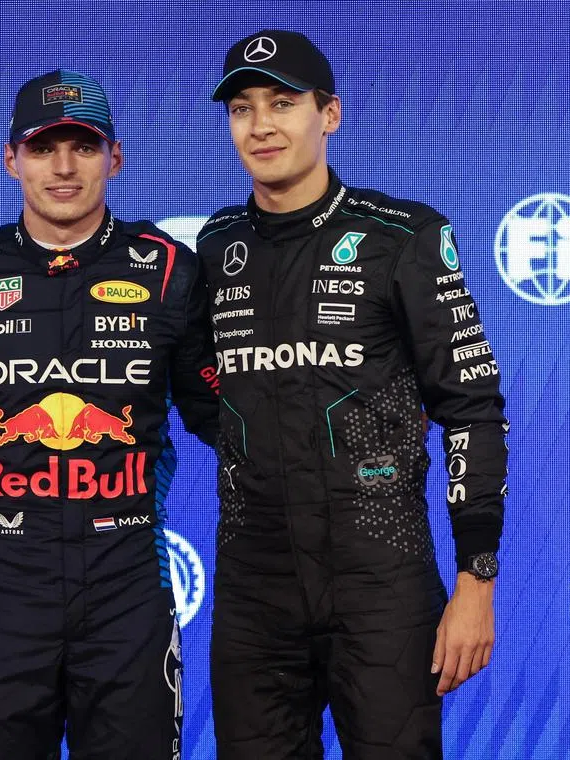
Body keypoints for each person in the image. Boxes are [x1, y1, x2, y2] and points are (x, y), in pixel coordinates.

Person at [197, 31, 508, 759]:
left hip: (381, 581)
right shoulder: (216, 247)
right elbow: (203, 391)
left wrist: (477, 582)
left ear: (330, 114)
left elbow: (472, 407)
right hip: (253, 590)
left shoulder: (403, 235)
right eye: (242, 108)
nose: (262, 124)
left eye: (283, 103)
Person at [0, 70, 220, 760]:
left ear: (116, 157)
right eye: (44, 148)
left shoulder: (170, 271)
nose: (65, 167)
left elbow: (226, 414)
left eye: (84, 145)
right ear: (12, 159)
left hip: (127, 593)